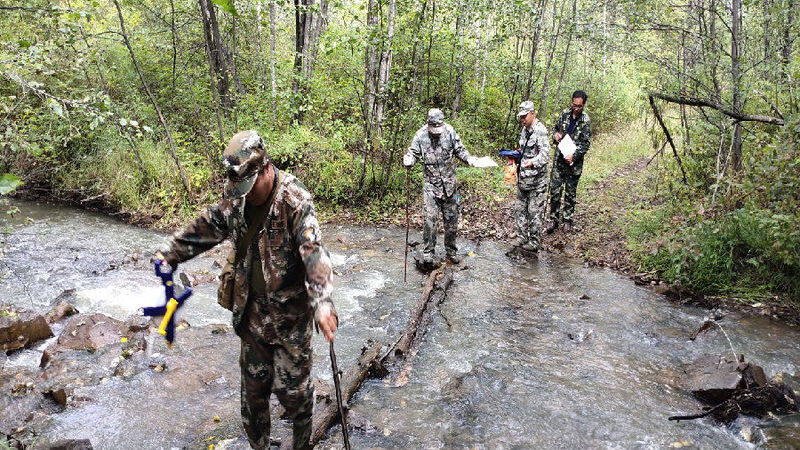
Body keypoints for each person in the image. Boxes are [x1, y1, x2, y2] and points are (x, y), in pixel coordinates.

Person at [157, 130, 338, 449]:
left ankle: (301, 441)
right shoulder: (237, 196)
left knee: (293, 394)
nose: (247, 194)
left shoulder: (295, 200)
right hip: (252, 315)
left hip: (290, 321)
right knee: (253, 398)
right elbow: (209, 224)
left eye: (251, 186)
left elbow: (314, 252)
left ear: (266, 168)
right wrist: (170, 254)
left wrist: (323, 302)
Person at [403, 108, 479, 266]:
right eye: (433, 129)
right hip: (431, 187)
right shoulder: (420, 135)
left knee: (452, 222)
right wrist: (409, 160)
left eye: (439, 128)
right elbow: (413, 153)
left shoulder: (450, 131)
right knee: (430, 222)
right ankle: (428, 253)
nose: (436, 132)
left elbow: (460, 150)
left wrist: (470, 159)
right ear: (428, 123)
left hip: (450, 186)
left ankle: (451, 251)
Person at [548, 90, 592, 233]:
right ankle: (553, 219)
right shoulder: (564, 115)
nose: (576, 108)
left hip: (573, 164)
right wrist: (555, 135)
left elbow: (586, 144)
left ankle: (567, 220)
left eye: (579, 106)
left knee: (570, 194)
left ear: (584, 104)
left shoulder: (586, 120)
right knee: (555, 191)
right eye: (574, 105)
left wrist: (574, 155)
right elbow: (554, 129)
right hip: (559, 161)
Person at [510, 100, 550, 254]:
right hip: (523, 179)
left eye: (524, 116)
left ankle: (534, 243)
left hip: (536, 182)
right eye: (520, 116)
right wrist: (515, 157)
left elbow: (545, 155)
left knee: (534, 213)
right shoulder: (524, 130)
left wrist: (532, 163)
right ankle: (521, 237)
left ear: (532, 114)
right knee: (519, 210)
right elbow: (524, 150)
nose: (522, 119)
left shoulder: (540, 130)